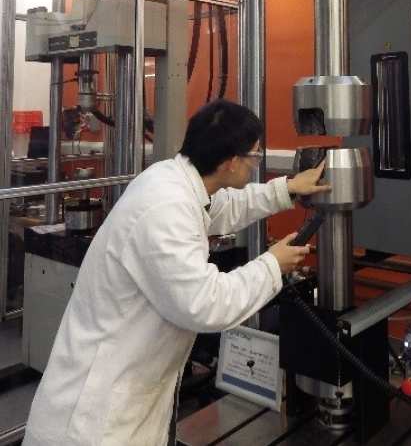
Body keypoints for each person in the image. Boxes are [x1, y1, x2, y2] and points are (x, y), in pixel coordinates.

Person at [23, 99, 330, 446]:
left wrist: (287, 188)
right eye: (255, 156)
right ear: (231, 162)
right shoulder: (165, 206)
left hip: (125, 401)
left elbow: (223, 207)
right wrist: (273, 264)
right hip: (93, 422)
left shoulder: (174, 180)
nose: (257, 163)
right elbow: (206, 304)